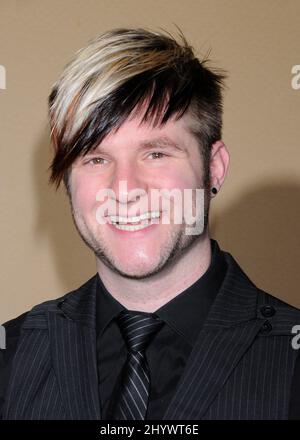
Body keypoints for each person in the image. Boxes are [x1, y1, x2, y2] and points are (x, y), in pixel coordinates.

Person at [1, 27, 300, 420]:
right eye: (95, 158)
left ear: (214, 168)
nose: (124, 188)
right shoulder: (12, 355)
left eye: (156, 153)